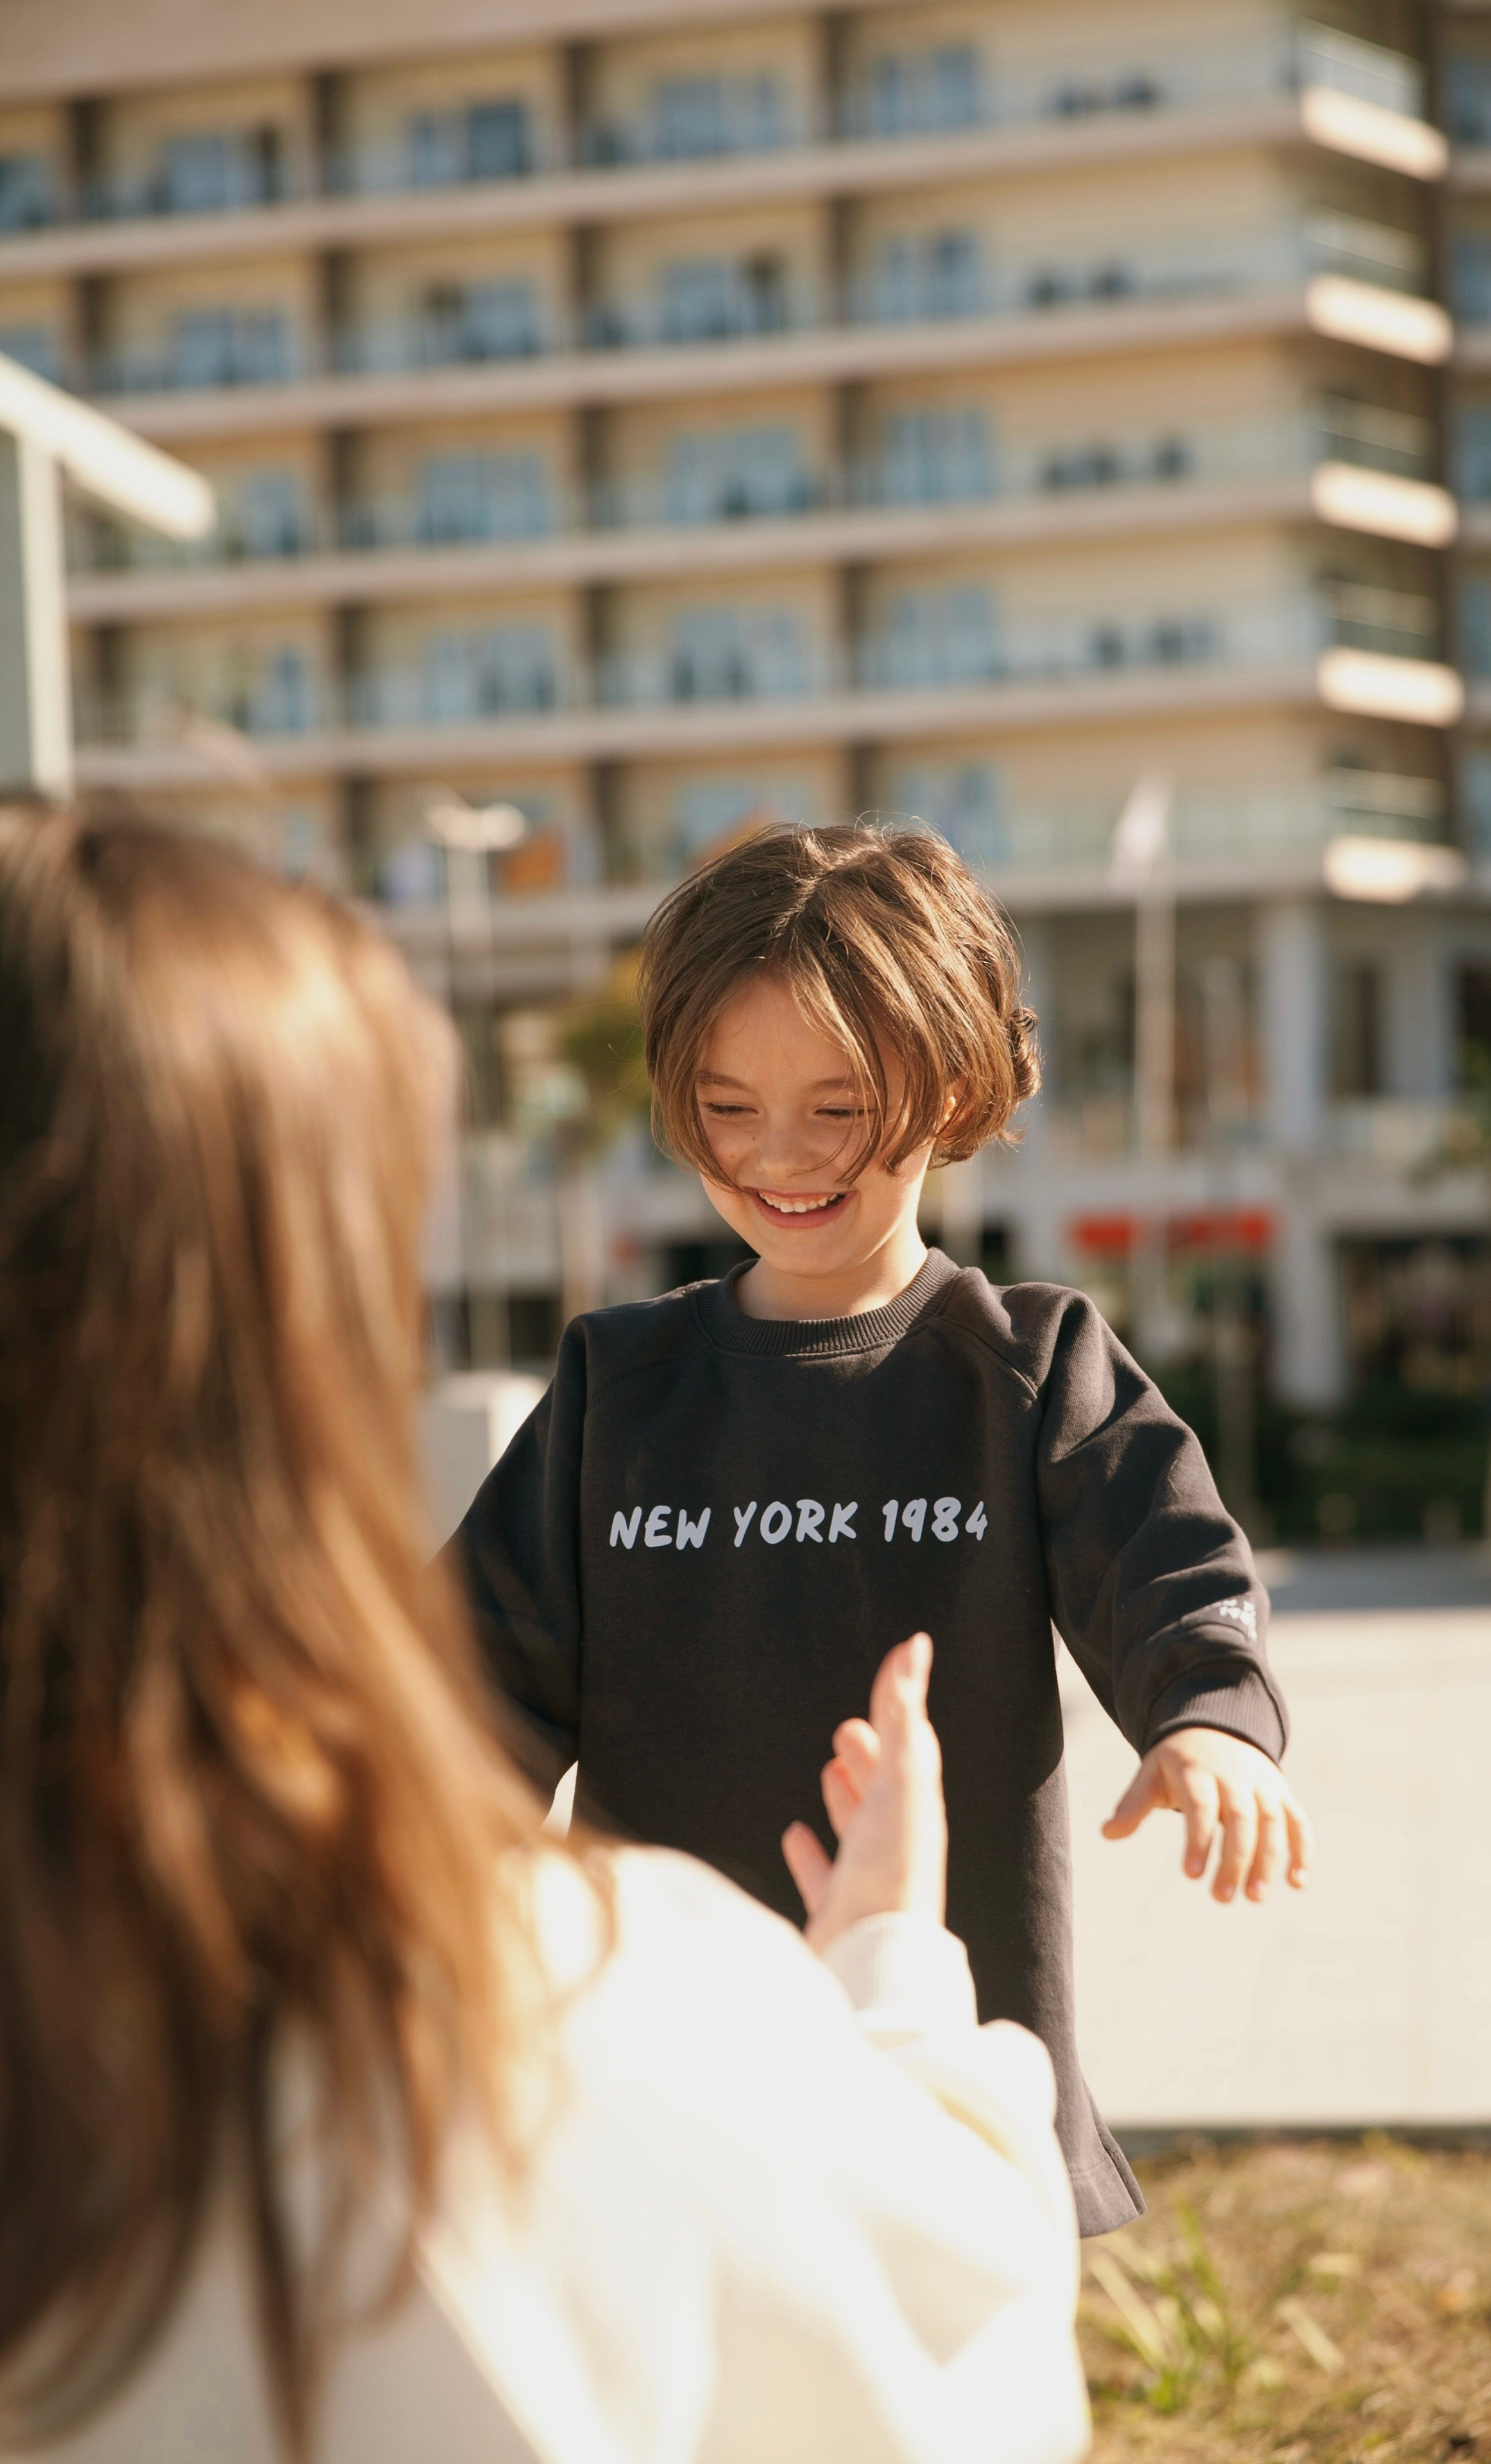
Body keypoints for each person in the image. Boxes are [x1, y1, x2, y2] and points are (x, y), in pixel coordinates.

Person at [0, 810, 1091, 2464]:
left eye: (833, 1106)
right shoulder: (565, 2031)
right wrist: (888, 1987)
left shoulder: (1025, 1365)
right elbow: (958, 2368)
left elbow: (473, 1692)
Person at [456, 821, 1316, 2239]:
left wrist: (1210, 1718)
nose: (777, 1155)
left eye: (837, 1108)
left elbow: (1171, 1560)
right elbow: (472, 1671)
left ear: (955, 1087)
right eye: (727, 1107)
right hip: (663, 2066)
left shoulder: (1029, 1368)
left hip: (948, 2059)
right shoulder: (618, 1388)